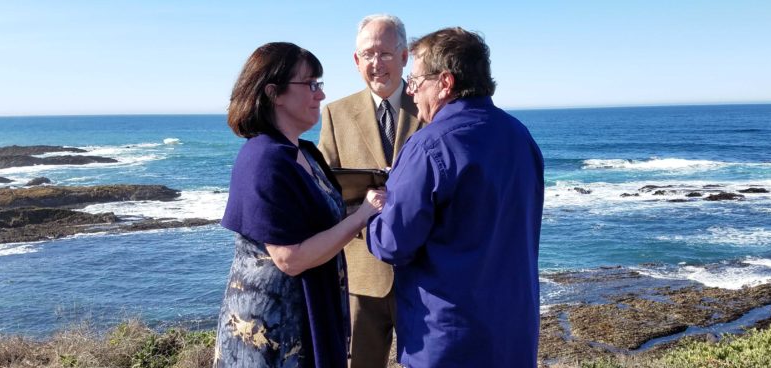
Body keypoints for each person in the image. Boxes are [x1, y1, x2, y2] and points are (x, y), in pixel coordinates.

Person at [367, 27, 545, 367]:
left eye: (416, 83)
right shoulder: (520, 137)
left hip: (448, 338)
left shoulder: (429, 146)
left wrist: (373, 213)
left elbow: (392, 243)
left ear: (445, 83)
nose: (411, 92)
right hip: (514, 334)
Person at [214, 42, 385, 368]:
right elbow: (290, 258)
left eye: (319, 85)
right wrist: (362, 216)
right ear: (274, 93)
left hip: (305, 319)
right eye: (310, 84)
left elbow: (320, 221)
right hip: (271, 335)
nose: (320, 95)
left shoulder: (305, 153)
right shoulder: (263, 161)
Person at [318, 14, 422, 368]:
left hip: (424, 273)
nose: (376, 64)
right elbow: (326, 192)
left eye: (386, 53)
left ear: (405, 55)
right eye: (368, 54)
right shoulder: (335, 114)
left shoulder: (432, 107)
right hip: (362, 275)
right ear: (355, 60)